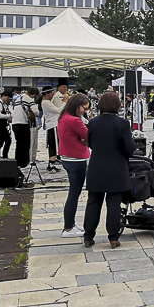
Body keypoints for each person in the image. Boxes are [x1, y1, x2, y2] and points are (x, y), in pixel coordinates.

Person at [83, 92, 135, 249]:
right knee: (113, 203)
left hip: (96, 166)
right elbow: (129, 148)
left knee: (93, 201)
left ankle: (88, 236)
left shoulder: (93, 122)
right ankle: (113, 237)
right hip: (116, 167)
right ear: (118, 105)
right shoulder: (122, 124)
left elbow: (90, 143)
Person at [58, 93, 91, 238]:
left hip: (67, 157)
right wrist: (85, 141)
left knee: (73, 193)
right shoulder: (75, 121)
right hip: (76, 159)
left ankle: (70, 224)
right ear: (77, 106)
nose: (86, 111)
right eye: (84, 108)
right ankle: (68, 228)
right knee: (74, 194)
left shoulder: (64, 116)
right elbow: (89, 136)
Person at [11, 88, 39, 168]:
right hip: (23, 123)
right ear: (34, 95)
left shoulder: (19, 98)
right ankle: (24, 162)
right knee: (25, 144)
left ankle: (18, 161)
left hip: (14, 123)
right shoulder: (29, 99)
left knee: (19, 144)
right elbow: (36, 111)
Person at [41, 87, 61, 173]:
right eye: (50, 93)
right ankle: (52, 163)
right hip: (52, 125)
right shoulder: (45, 102)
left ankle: (53, 162)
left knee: (54, 144)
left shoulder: (48, 102)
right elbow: (58, 110)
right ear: (46, 94)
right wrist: (65, 102)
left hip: (53, 125)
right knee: (54, 145)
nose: (52, 95)